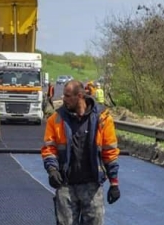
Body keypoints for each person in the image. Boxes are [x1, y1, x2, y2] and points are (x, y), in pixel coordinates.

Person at [41, 80, 121, 225]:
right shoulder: (56, 119)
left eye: (67, 96)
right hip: (66, 185)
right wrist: (52, 170)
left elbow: (109, 152)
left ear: (80, 96)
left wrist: (114, 183)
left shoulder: (102, 119)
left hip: (92, 186)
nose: (63, 99)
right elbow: (49, 148)